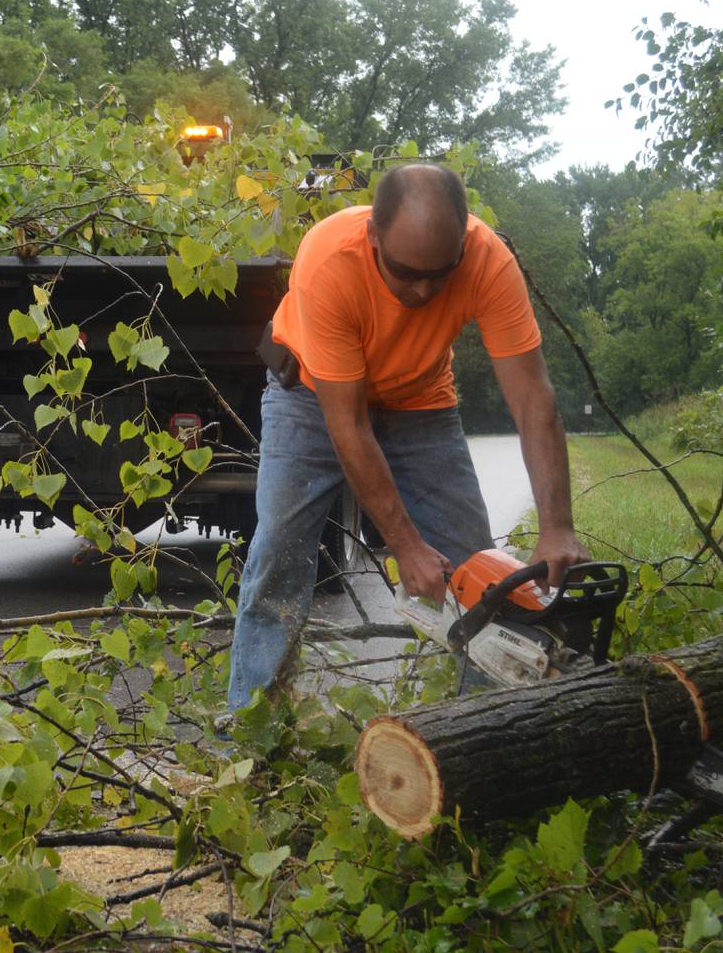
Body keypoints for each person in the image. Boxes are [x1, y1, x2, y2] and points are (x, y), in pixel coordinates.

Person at [228, 163, 588, 712]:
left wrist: (557, 527)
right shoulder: (329, 258)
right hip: (309, 396)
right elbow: (348, 427)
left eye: (439, 275)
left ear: (462, 243)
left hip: (420, 400)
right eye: (405, 273)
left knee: (478, 568)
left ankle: (486, 722)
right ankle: (250, 727)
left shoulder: (488, 260)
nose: (422, 290)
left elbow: (533, 400)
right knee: (279, 551)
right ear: (373, 235)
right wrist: (406, 546)